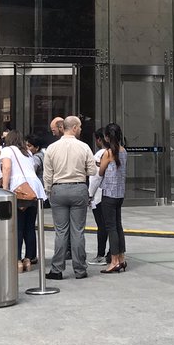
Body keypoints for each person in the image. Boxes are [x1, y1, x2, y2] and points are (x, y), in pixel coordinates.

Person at [42, 115, 97, 281]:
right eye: (79, 127)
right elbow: (93, 171)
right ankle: (80, 269)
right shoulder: (84, 147)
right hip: (78, 187)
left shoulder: (51, 148)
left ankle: (57, 269)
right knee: (78, 231)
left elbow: (47, 174)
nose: (81, 129)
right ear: (73, 128)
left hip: (58, 189)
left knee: (61, 231)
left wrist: (49, 190)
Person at [1, 131, 44, 272]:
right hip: (33, 190)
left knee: (17, 226)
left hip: (18, 190)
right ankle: (29, 258)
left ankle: (17, 259)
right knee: (30, 225)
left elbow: (7, 168)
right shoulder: (27, 152)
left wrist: (5, 188)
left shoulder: (7, 150)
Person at [98, 123, 128, 274]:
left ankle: (114, 260)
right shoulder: (124, 151)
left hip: (109, 194)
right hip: (120, 194)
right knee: (118, 225)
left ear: (107, 137)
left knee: (111, 227)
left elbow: (101, 171)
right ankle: (121, 258)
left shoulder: (108, 153)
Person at [86, 131, 108, 266]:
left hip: (99, 195)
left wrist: (89, 194)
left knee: (102, 226)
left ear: (99, 139)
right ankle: (112, 253)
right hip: (111, 193)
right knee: (111, 225)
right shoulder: (114, 152)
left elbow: (95, 177)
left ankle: (101, 254)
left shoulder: (100, 155)